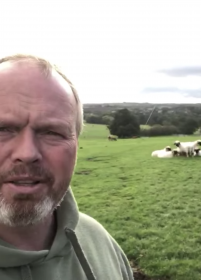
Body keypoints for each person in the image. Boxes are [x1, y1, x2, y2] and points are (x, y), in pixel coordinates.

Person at [0, 54, 134, 280]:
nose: (27, 153)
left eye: (52, 132)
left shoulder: (99, 243)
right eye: (3, 129)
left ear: (76, 146)